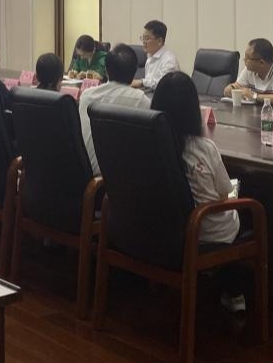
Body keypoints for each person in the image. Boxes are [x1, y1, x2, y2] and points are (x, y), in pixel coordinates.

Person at [150, 71, 245, 312]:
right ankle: (234, 288)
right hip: (204, 230)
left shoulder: (151, 142)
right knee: (246, 204)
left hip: (162, 226)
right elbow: (224, 193)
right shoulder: (203, 147)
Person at [78, 44, 150, 175]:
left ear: (106, 70)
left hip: (84, 172)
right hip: (115, 177)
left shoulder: (87, 96)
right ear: (135, 71)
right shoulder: (140, 100)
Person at [224, 38, 273, 106]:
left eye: (247, 58)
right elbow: (237, 86)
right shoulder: (249, 70)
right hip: (260, 113)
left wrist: (255, 96)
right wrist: (231, 88)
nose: (244, 60)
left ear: (261, 63)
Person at [132, 20, 179, 91]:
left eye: (147, 38)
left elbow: (162, 83)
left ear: (159, 41)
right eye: (143, 38)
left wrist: (141, 82)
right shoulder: (150, 56)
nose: (143, 42)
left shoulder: (169, 60)